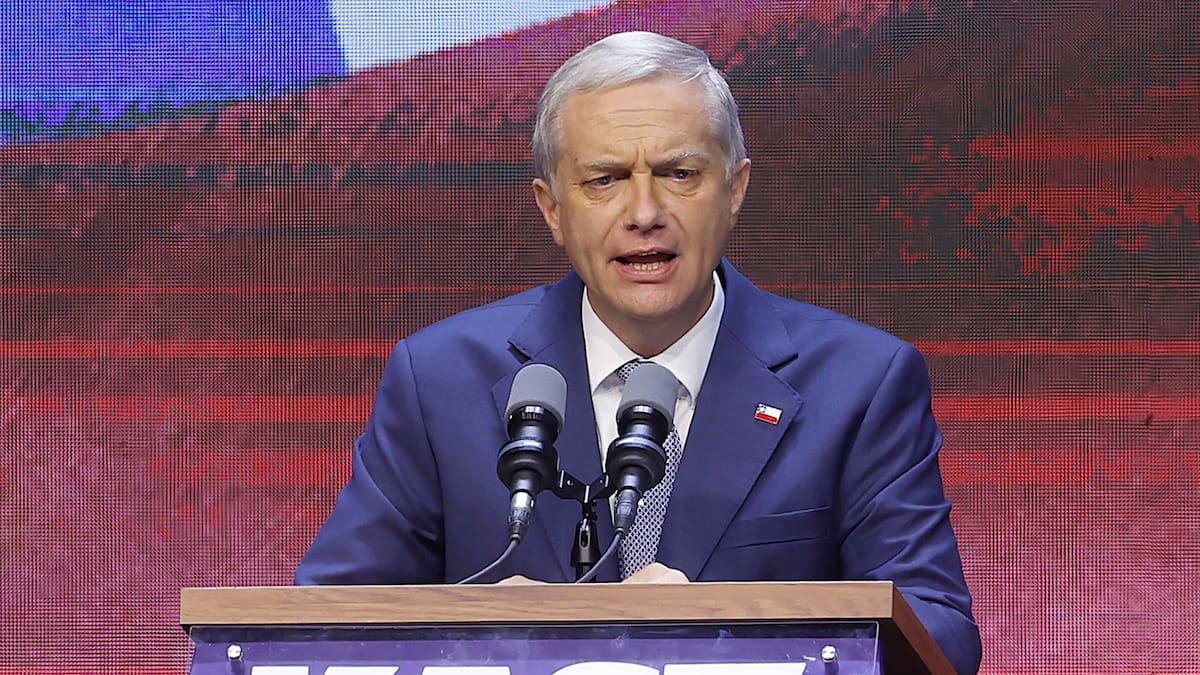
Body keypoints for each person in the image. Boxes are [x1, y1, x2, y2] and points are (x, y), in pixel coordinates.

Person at [296, 31, 982, 673]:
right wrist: (480, 637)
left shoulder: (861, 382)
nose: (644, 210)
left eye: (679, 173)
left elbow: (940, 633)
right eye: (605, 179)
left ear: (735, 187)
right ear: (552, 208)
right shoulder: (439, 378)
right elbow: (318, 629)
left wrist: (725, 631)